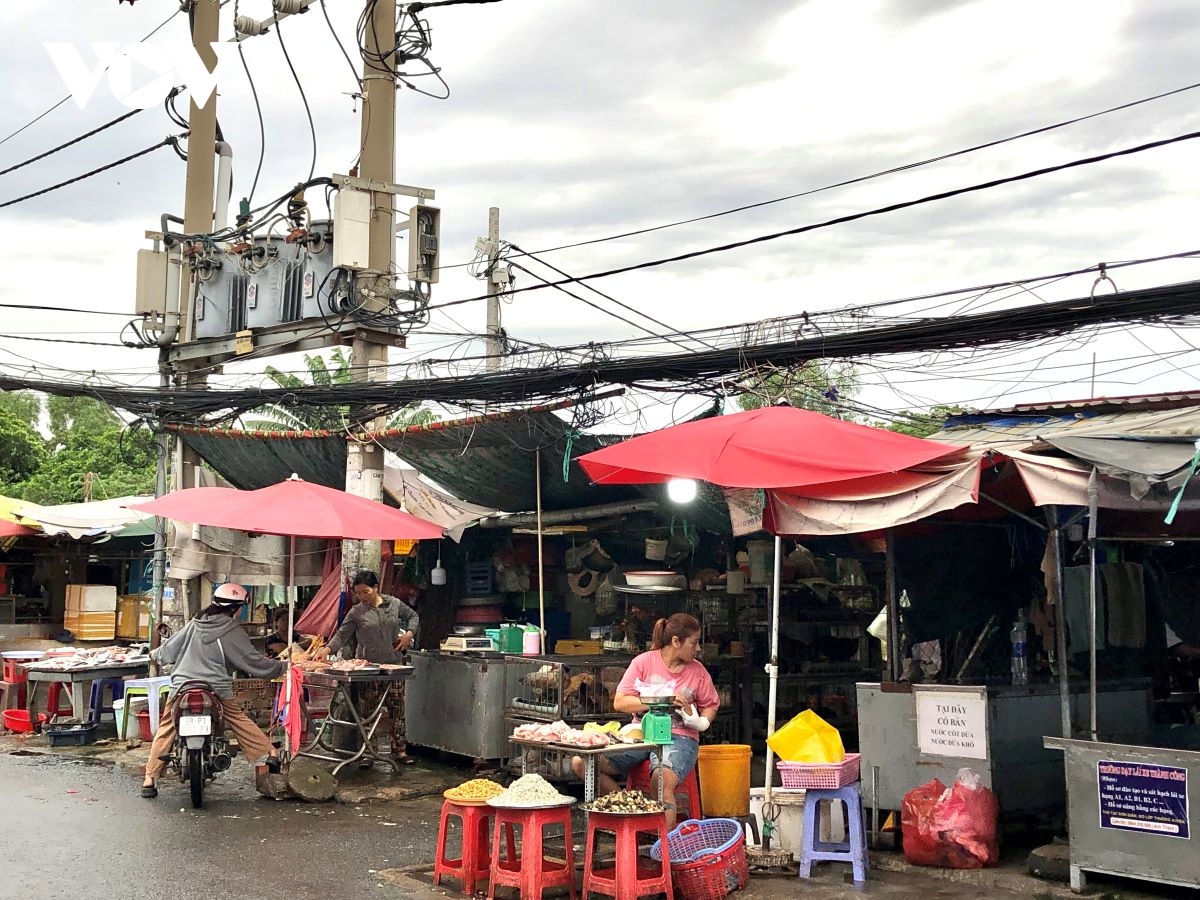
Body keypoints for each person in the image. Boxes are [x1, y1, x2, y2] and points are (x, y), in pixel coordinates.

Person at [571, 613, 719, 828]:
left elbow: (711, 705)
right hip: (640, 733)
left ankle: (664, 850)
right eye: (694, 643)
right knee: (582, 763)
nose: (697, 649)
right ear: (676, 642)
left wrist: (701, 723)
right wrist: (661, 700)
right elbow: (620, 702)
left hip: (680, 738)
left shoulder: (698, 671)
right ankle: (629, 810)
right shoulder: (643, 662)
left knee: (660, 781)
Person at [140, 582, 285, 799]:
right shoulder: (231, 630)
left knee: (167, 726)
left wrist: (153, 655)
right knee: (237, 717)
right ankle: (269, 752)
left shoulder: (195, 623)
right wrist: (283, 666)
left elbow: (167, 652)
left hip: (182, 685)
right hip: (215, 687)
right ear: (237, 609)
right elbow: (253, 662)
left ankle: (149, 779)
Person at [317, 569, 418, 763]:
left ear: (376, 588)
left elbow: (413, 616)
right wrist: (327, 650)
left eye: (366, 592)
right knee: (368, 712)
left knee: (397, 709)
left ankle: (400, 751)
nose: (362, 596)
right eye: (359, 593)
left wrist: (409, 634)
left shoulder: (394, 604)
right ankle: (368, 752)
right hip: (368, 668)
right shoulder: (356, 612)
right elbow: (342, 634)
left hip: (394, 665)